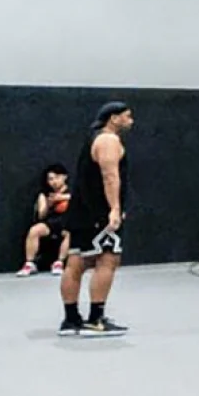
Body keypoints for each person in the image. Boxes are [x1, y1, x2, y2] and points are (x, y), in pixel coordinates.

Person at [59, 102, 135, 338]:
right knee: (108, 260)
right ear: (114, 118)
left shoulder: (94, 139)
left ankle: (71, 319)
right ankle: (95, 319)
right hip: (98, 214)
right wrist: (114, 208)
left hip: (81, 211)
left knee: (76, 263)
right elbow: (110, 176)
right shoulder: (109, 141)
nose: (131, 121)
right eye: (127, 116)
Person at [18, 164, 71, 276]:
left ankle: (59, 262)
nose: (54, 181)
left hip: (68, 222)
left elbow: (78, 201)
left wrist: (63, 198)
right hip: (51, 223)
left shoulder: (73, 191)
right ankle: (30, 264)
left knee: (69, 233)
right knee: (34, 230)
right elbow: (42, 215)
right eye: (50, 179)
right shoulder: (44, 195)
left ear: (64, 177)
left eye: (57, 177)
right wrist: (49, 204)